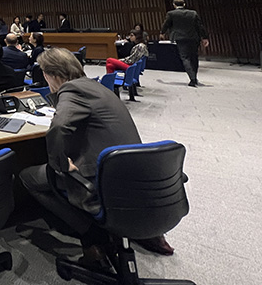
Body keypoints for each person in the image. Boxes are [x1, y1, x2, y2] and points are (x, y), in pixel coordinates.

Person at [18, 48, 173, 268]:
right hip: (137, 178)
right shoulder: (97, 86)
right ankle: (136, 231)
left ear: (51, 75)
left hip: (103, 181)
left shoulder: (72, 90)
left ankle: (92, 235)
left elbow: (59, 127)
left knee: (28, 177)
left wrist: (59, 163)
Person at [161, 0, 209, 87]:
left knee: (185, 57)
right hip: (194, 37)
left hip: (180, 38)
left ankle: (192, 78)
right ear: (184, 4)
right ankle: (194, 76)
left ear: (174, 5)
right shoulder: (193, 13)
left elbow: (166, 24)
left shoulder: (171, 14)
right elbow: (200, 26)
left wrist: (162, 33)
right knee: (194, 57)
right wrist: (205, 37)